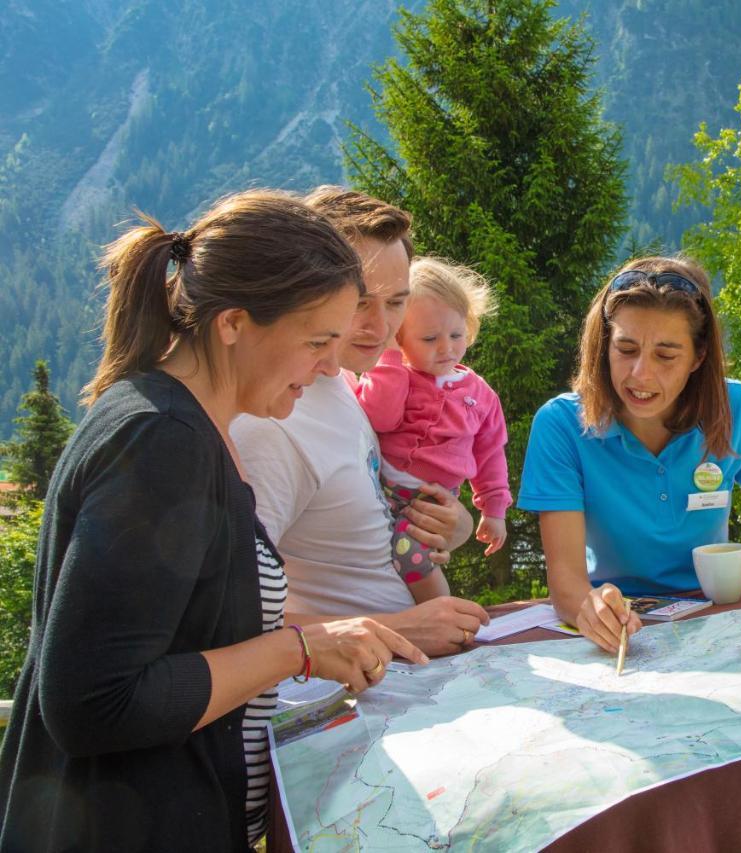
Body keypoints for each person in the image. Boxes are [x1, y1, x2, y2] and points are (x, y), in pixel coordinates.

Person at [0, 190, 426, 851]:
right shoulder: (162, 439)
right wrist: (299, 649)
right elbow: (92, 700)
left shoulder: (183, 424)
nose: (331, 367)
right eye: (317, 341)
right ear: (233, 323)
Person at [232, 187, 490, 655]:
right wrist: (400, 629)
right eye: (359, 302)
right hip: (351, 695)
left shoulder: (348, 385)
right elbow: (232, 617)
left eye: (397, 303)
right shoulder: (272, 423)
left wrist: (451, 526)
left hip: (402, 679)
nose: (382, 326)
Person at [518, 256, 741, 653]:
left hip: (716, 619)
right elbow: (567, 583)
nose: (640, 374)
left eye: (666, 355)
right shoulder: (560, 425)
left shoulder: (735, 406)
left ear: (698, 357)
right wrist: (588, 606)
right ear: (603, 346)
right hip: (617, 621)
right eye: (626, 349)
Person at [354, 256, 510, 602]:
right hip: (382, 493)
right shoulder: (395, 377)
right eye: (428, 338)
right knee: (387, 555)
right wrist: (389, 358)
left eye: (456, 334)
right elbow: (380, 417)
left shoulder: (480, 394)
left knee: (411, 556)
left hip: (433, 501)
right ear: (400, 337)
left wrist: (493, 510)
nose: (447, 347)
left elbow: (490, 455)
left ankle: (443, 611)